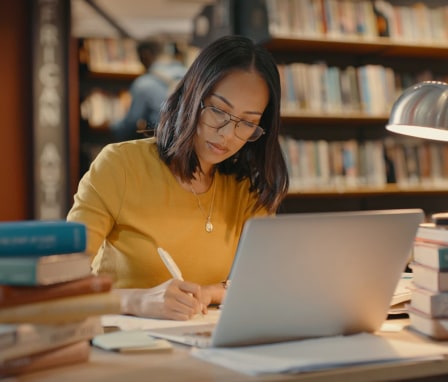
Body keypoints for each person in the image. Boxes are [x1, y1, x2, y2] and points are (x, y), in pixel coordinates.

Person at [67, 35, 289, 320]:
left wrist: (209, 293)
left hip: (203, 344)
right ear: (192, 95)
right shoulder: (120, 165)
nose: (227, 134)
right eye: (219, 111)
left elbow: (262, 282)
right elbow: (62, 282)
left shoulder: (248, 188)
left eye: (247, 123)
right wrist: (137, 300)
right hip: (123, 343)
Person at [110, 38, 187, 141]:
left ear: (145, 55)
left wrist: (113, 128)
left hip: (162, 144)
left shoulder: (144, 84)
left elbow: (131, 123)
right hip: (189, 143)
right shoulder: (190, 73)